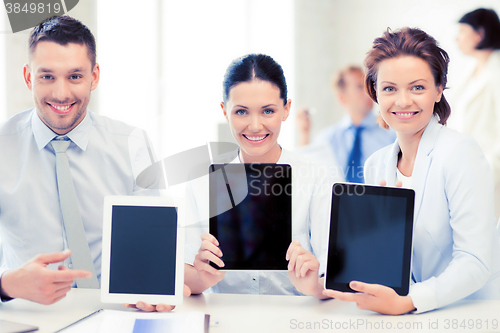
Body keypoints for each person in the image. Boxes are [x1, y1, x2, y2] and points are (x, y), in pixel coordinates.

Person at [0, 16, 181, 311]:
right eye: (47, 76)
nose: (61, 94)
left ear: (94, 76)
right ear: (27, 76)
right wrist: (6, 284)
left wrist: (155, 287)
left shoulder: (132, 143)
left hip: (116, 314)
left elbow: (149, 249)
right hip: (27, 315)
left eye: (74, 76)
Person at [183, 54, 337, 297]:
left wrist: (314, 284)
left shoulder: (316, 177)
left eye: (268, 111)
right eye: (241, 112)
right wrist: (201, 277)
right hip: (224, 320)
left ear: (286, 109)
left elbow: (334, 276)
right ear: (225, 111)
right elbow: (186, 277)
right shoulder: (201, 181)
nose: (255, 126)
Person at [296, 66, 395, 183]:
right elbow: (307, 175)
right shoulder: (327, 139)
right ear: (342, 98)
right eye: (360, 86)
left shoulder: (392, 133)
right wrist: (304, 134)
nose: (369, 90)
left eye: (370, 84)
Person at [449, 8, 500, 219]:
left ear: (480, 34)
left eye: (462, 31)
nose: (456, 38)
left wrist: (488, 169)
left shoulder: (496, 71)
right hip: (465, 172)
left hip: (489, 173)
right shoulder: (471, 72)